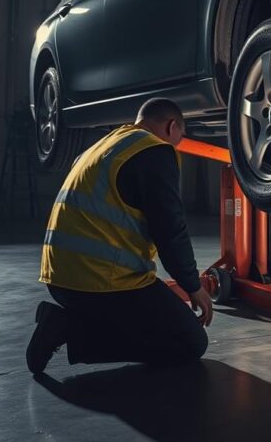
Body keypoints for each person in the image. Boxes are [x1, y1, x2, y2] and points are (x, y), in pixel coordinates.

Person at [26, 98, 213, 374]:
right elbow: (170, 230)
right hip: (102, 285)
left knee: (157, 316)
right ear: (172, 127)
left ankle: (70, 323)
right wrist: (193, 286)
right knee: (190, 342)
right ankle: (67, 329)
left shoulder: (105, 146)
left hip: (59, 281)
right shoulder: (154, 151)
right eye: (180, 137)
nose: (177, 144)